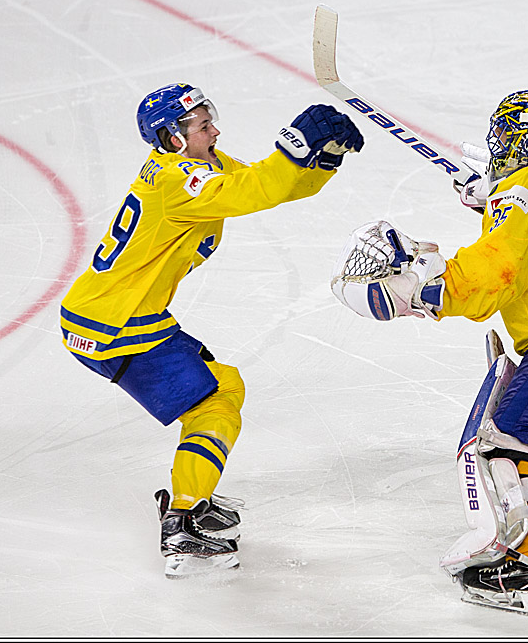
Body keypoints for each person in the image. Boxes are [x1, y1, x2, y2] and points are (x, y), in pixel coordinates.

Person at [330, 89, 528, 614]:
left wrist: (419, 289)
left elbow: (496, 275)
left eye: (507, 135)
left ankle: (523, 562)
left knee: (511, 435)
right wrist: (496, 195)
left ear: (525, 139)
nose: (498, 143)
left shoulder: (522, 194)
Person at [60, 83, 363, 579]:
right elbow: (253, 190)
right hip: (114, 324)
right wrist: (296, 143)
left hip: (121, 317)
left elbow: (273, 185)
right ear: (173, 138)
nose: (215, 129)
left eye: (210, 118)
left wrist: (323, 156)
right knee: (216, 399)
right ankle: (183, 521)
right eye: (202, 125)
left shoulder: (201, 166)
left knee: (224, 388)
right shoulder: (179, 179)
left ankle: (190, 499)